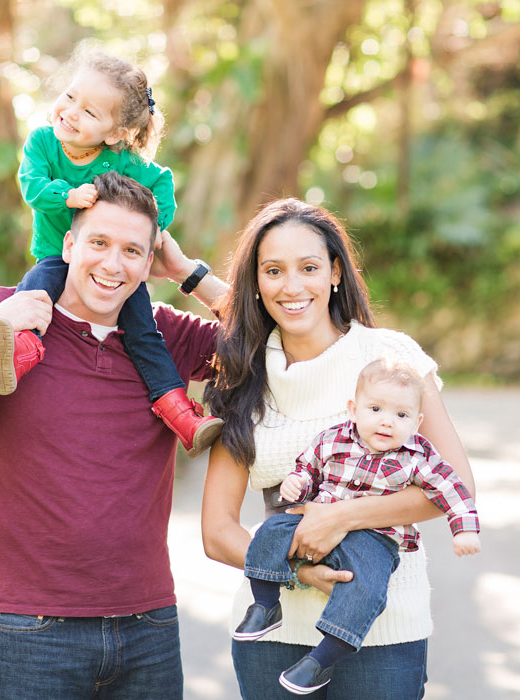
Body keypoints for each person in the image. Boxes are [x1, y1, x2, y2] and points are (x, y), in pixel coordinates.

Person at [0, 172, 228, 700]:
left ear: (149, 263)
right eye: (99, 242)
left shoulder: (167, 336)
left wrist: (189, 272)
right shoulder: (2, 317)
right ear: (69, 244)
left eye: (132, 251)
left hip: (149, 630)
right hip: (29, 632)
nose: (113, 264)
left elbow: (276, 340)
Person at [201, 198, 478, 699]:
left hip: (384, 631)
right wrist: (301, 573)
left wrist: (342, 516)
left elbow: (456, 483)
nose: (291, 286)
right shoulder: (242, 374)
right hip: (272, 637)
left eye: (308, 268)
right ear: (256, 284)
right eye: (273, 271)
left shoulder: (391, 357)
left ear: (334, 272)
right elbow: (217, 532)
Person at [0, 40, 221, 457]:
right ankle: (15, 354)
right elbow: (31, 186)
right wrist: (67, 195)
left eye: (89, 112)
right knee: (34, 293)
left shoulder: (120, 159)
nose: (70, 112)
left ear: (116, 133)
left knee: (146, 334)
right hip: (59, 256)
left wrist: (154, 230)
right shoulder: (42, 143)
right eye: (70, 97)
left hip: (115, 273)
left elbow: (161, 181)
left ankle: (180, 413)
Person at [234, 356, 481, 694]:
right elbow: (308, 469)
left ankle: (321, 660)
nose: (386, 422)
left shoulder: (417, 456)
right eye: (375, 409)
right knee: (269, 532)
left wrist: (464, 529)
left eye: (401, 415)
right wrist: (297, 483)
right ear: (354, 409)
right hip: (315, 519)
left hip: (374, 538)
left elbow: (453, 488)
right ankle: (265, 603)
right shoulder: (333, 440)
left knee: (365, 588)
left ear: (417, 421)